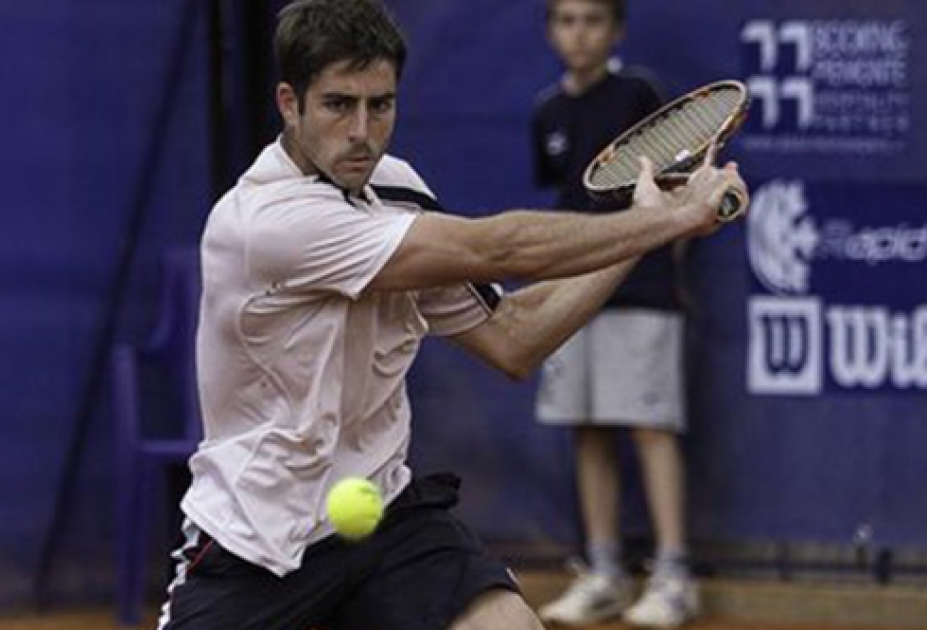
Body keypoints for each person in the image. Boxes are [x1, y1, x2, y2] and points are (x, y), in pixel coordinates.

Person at [155, 1, 746, 629]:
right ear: (288, 103)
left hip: (388, 524)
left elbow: (514, 338)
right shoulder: (265, 223)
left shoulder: (395, 188)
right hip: (256, 549)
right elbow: (496, 247)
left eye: (379, 105)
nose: (361, 130)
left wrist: (646, 232)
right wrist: (667, 219)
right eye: (337, 104)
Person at [531, 0, 700, 627]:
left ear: (616, 30)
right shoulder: (545, 110)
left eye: (593, 20)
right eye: (567, 20)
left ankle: (675, 576)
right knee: (588, 427)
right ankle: (604, 572)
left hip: (643, 291)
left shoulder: (639, 94)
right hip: (575, 292)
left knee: (649, 428)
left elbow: (680, 190)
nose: (580, 33)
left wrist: (656, 254)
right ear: (551, 30)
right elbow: (564, 194)